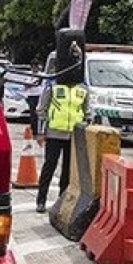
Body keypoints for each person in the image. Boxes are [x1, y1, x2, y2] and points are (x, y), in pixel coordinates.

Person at [34, 50, 87, 214]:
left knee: (68, 170)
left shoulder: (83, 88)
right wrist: (41, 132)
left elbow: (87, 112)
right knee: (49, 166)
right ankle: (41, 200)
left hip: (73, 135)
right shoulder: (53, 85)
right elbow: (41, 109)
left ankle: (61, 200)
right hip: (54, 133)